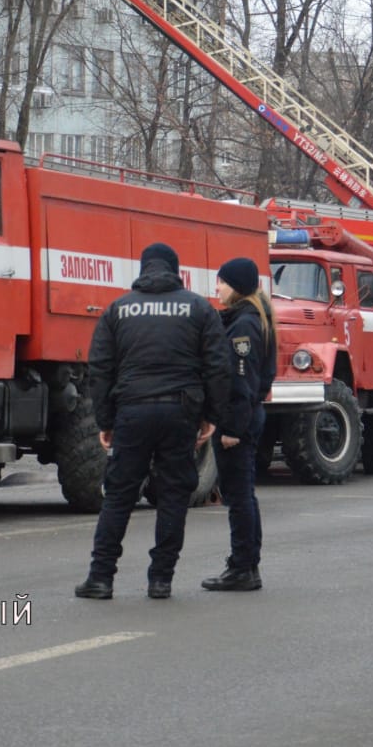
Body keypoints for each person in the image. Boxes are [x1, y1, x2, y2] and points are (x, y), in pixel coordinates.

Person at [75, 243, 231, 601]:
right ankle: (160, 579)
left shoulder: (118, 309)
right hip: (181, 412)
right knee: (174, 494)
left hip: (132, 410)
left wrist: (106, 420)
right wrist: (211, 416)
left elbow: (100, 368)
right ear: (176, 271)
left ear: (144, 269)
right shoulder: (198, 308)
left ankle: (100, 578)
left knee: (119, 495)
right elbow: (218, 367)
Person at [202, 257, 275, 594]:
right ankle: (247, 564)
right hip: (246, 415)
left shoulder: (243, 326)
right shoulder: (248, 319)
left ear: (237, 286)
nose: (216, 287)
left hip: (237, 420)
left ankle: (243, 567)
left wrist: (231, 427)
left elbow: (239, 381)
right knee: (243, 493)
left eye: (221, 281)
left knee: (238, 496)